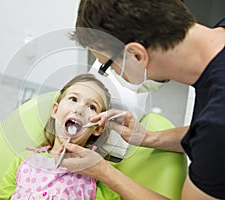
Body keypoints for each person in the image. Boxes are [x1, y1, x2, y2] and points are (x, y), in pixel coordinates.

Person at [58, 0, 225, 199]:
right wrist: (148, 138)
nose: (112, 73)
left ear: (136, 55)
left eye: (107, 66)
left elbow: (214, 135)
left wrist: (104, 171)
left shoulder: (217, 124)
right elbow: (205, 135)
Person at [0, 73, 114, 199]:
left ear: (98, 127)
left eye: (92, 107)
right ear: (55, 110)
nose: (79, 109)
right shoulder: (23, 161)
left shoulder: (98, 176)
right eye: (73, 99)